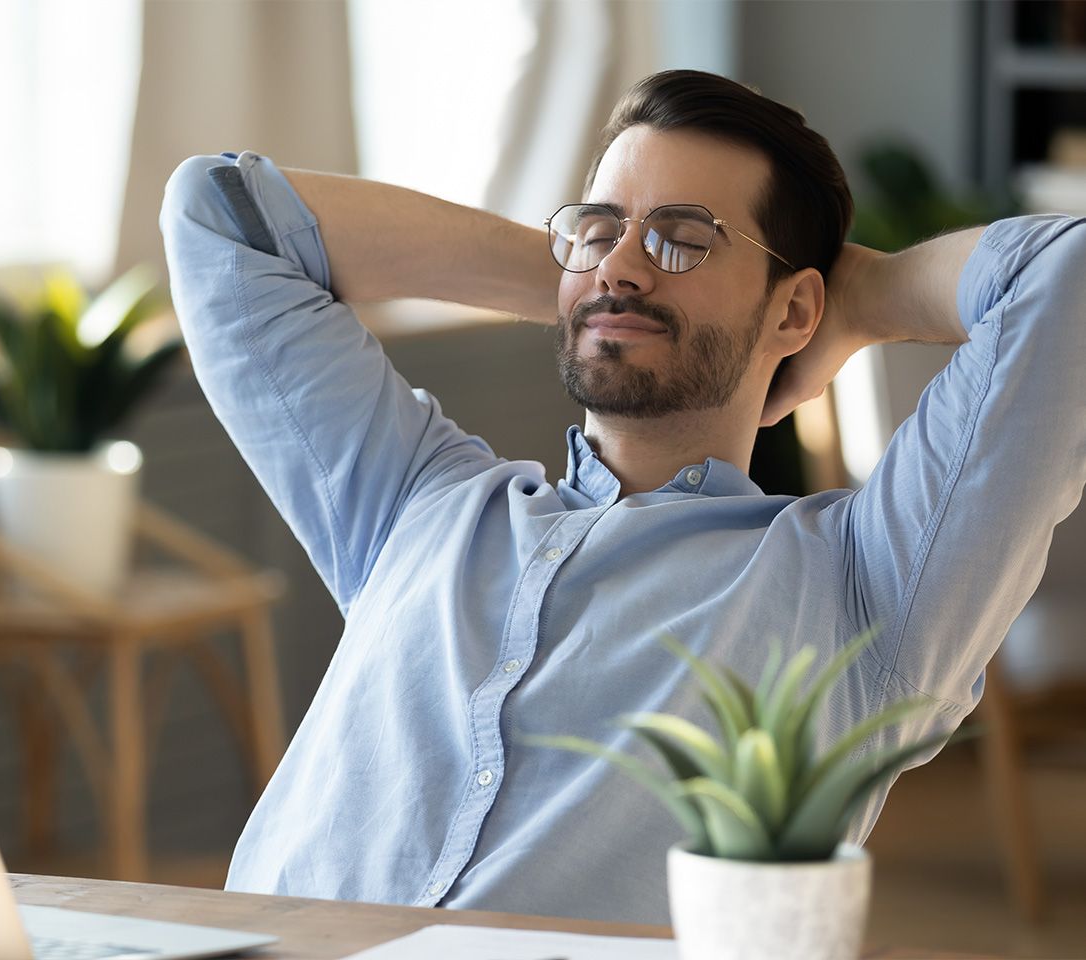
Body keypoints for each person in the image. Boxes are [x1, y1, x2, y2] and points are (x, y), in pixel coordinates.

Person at [158, 70, 1086, 925]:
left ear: (794, 310)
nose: (624, 263)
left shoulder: (864, 587)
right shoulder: (415, 499)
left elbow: (1067, 276)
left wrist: (860, 296)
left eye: (686, 239)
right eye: (598, 230)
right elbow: (222, 215)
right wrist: (595, 288)